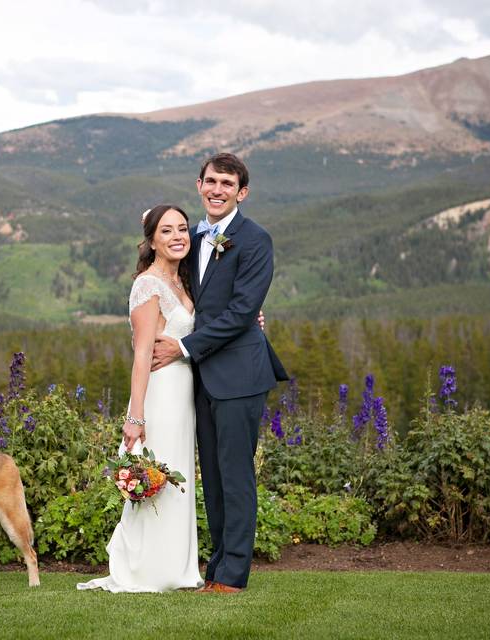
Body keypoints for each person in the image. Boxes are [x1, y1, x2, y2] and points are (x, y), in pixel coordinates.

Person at [151, 152, 288, 594]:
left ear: (241, 192)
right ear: (198, 185)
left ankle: (233, 575)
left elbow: (242, 310)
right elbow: (174, 287)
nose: (216, 189)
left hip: (240, 376)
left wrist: (183, 346)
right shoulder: (189, 237)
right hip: (200, 376)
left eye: (226, 184)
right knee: (211, 475)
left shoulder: (256, 239)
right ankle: (215, 567)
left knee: (235, 475)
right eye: (210, 181)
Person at [77, 204, 205, 593]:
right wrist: (135, 416)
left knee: (178, 476)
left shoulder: (185, 282)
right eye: (166, 231)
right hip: (160, 394)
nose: (178, 236)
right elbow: (141, 354)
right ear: (151, 241)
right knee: (159, 476)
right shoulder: (147, 285)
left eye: (183, 228)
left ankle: (179, 568)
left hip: (184, 395)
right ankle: (151, 571)